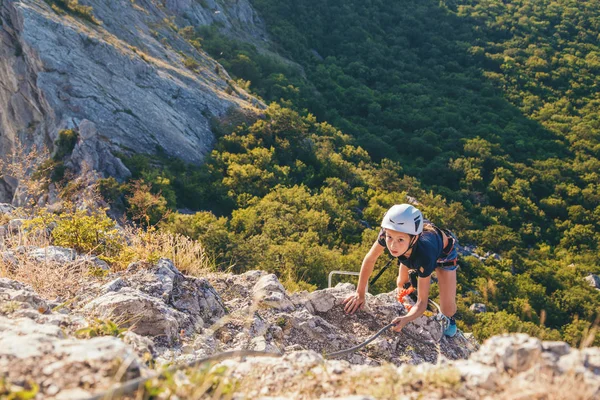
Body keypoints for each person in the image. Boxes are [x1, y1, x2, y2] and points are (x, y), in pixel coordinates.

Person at [342, 204, 459, 337]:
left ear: (414, 238)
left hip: (444, 255)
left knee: (447, 309)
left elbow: (422, 302)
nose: (392, 245)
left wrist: (406, 319)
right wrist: (360, 293)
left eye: (400, 239)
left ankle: (450, 319)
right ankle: (407, 278)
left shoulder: (424, 254)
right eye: (389, 237)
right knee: (401, 284)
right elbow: (370, 259)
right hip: (410, 251)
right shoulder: (389, 233)